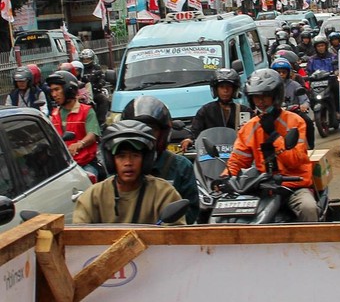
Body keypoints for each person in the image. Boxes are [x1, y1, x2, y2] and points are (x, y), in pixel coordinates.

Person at [225, 68, 318, 222]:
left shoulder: (294, 121)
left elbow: (295, 160)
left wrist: (274, 135)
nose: (260, 102)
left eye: (265, 96)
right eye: (256, 97)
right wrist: (226, 177)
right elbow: (238, 160)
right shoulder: (249, 127)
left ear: (276, 96)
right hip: (262, 187)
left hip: (293, 185)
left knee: (308, 208)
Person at [73, 120, 186, 225]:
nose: (128, 163)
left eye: (135, 156)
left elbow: (177, 235)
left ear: (146, 159)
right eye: (121, 156)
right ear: (111, 160)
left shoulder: (164, 193)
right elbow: (79, 235)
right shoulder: (93, 196)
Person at [122, 96, 200, 224]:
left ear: (163, 134)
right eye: (138, 129)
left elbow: (190, 213)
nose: (145, 135)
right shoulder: (119, 167)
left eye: (151, 130)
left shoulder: (180, 166)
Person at [47, 69, 102, 180]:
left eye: (57, 90)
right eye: (52, 91)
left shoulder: (86, 111)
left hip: (85, 164)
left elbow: (92, 134)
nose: (54, 94)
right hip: (64, 166)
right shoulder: (54, 114)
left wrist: (79, 144)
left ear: (69, 89)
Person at [180, 68, 247, 151]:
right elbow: (195, 131)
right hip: (211, 155)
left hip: (237, 153)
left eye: (229, 87)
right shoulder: (206, 110)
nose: (225, 90)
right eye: (221, 87)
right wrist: (189, 139)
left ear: (234, 89)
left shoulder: (244, 111)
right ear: (216, 89)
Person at [271, 57, 314, 148]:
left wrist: (304, 105)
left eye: (283, 72)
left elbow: (304, 99)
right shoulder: (270, 86)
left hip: (294, 113)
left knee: (308, 122)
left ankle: (311, 146)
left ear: (288, 73)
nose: (281, 74)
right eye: (278, 72)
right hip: (276, 114)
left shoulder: (294, 85)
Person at [80, 47, 110, 124]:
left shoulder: (97, 68)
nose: (86, 61)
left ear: (92, 59)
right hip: (82, 93)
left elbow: (102, 78)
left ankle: (101, 121)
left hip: (95, 92)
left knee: (104, 100)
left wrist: (100, 84)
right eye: (84, 59)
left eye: (88, 59)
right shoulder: (80, 69)